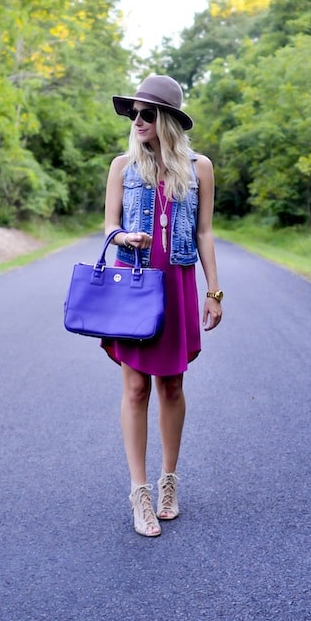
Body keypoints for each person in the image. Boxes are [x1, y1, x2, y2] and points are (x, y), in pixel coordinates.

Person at [103, 74, 223, 537]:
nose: (137, 120)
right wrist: (124, 236)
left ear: (167, 119)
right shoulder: (121, 167)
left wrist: (213, 291)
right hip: (133, 285)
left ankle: (168, 481)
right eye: (133, 112)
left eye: (147, 113)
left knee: (171, 386)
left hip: (176, 284)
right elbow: (108, 226)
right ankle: (140, 494)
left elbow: (205, 233)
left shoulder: (200, 167)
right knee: (135, 389)